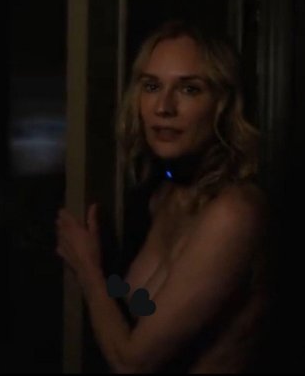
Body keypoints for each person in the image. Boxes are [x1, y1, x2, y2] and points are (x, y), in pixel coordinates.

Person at [55, 20, 271, 373]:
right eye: (152, 86)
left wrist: (89, 272)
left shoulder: (236, 213)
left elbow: (133, 363)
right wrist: (105, 272)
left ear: (224, 104)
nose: (164, 107)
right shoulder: (165, 196)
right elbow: (146, 307)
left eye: (189, 89)